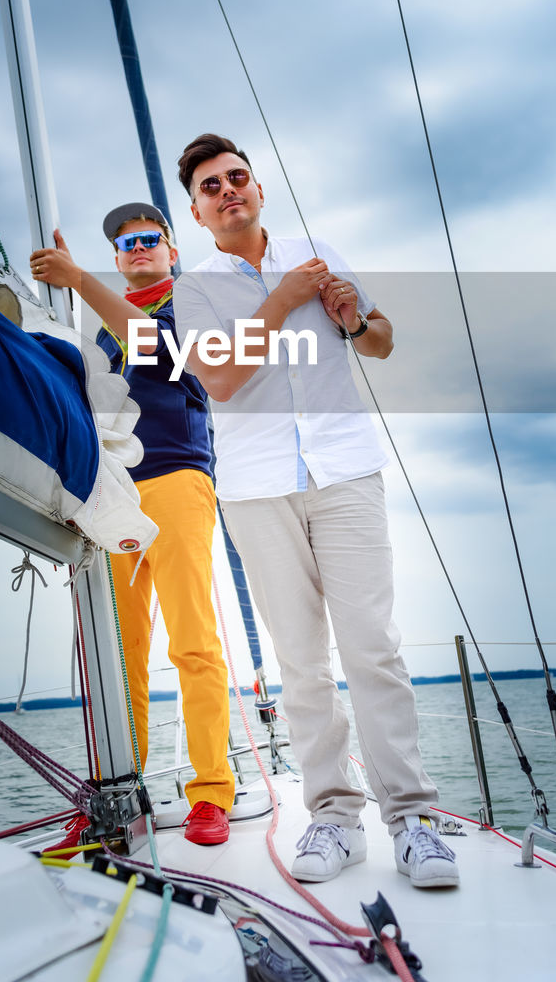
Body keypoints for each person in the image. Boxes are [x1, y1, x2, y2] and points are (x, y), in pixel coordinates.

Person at [171, 134, 459, 888]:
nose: (228, 190)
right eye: (211, 187)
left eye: (238, 177)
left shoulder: (315, 250)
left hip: (345, 470)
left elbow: (383, 342)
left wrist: (351, 318)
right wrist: (286, 299)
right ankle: (333, 818)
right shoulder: (193, 288)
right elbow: (222, 380)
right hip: (258, 487)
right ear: (199, 213)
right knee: (301, 662)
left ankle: (414, 818)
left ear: (257, 188)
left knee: (374, 648)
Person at [30, 203, 235, 845]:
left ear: (171, 251)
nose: (138, 249)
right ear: (118, 259)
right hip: (111, 489)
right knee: (119, 657)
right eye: (126, 244)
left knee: (193, 643)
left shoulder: (193, 304)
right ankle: (122, 795)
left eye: (150, 240)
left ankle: (210, 794)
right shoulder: (97, 334)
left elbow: (160, 348)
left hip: (176, 479)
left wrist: (77, 279)